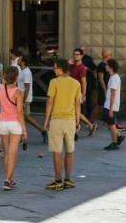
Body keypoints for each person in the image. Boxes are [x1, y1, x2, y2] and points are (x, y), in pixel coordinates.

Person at [43, 58, 80, 191]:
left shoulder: (54, 82)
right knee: (70, 151)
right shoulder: (76, 83)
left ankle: (58, 180)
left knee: (57, 152)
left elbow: (50, 102)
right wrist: (78, 121)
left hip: (56, 120)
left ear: (60, 68)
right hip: (70, 121)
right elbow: (77, 104)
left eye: (55, 68)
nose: (54, 70)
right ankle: (68, 180)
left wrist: (46, 121)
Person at [0, 65, 27, 192]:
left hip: (3, 123)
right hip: (14, 123)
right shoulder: (18, 92)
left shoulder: (0, 88)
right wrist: (24, 129)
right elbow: (20, 112)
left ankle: (9, 178)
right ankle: (8, 180)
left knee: (7, 153)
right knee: (13, 154)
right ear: (16, 77)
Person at [102, 58, 124, 150]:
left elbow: (113, 94)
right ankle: (118, 136)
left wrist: (111, 108)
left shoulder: (114, 78)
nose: (105, 66)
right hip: (108, 104)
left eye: (107, 65)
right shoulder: (113, 76)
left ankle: (114, 142)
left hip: (111, 105)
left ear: (111, 67)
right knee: (106, 122)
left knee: (111, 124)